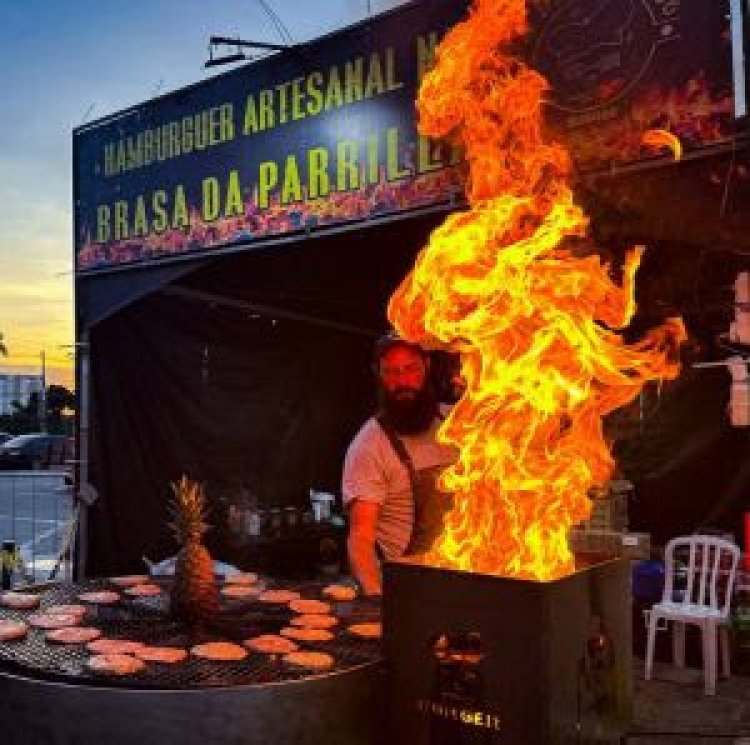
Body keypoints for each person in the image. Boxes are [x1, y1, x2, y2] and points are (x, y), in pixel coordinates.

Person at [342, 333, 456, 595]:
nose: (402, 381)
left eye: (409, 369)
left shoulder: (457, 424)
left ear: (426, 366)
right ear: (379, 376)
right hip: (410, 590)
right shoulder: (370, 445)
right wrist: (375, 598)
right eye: (391, 372)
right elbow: (361, 537)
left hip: (465, 577)